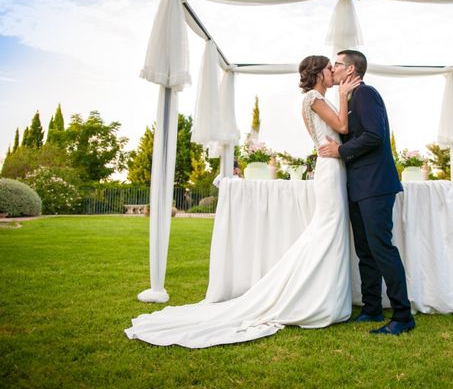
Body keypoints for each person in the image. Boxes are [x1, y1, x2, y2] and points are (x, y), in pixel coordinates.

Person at [124, 55, 360, 348]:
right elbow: (343, 127)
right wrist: (343, 94)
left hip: (331, 169)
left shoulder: (313, 99)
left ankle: (322, 294)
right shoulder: (314, 97)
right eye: (328, 68)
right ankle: (310, 297)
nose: (332, 72)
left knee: (328, 230)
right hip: (330, 169)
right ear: (317, 73)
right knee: (327, 229)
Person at [318, 49, 415, 335]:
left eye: (336, 64)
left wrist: (340, 150)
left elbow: (374, 135)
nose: (332, 68)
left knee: (381, 248)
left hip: (375, 185)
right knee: (365, 251)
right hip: (358, 187)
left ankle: (402, 315)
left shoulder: (366, 94)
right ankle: (372, 308)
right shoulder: (349, 98)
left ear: (350, 70)